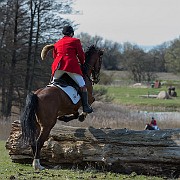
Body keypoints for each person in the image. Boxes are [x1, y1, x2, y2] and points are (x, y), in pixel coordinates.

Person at [51, 25, 93, 114]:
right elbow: (81, 55)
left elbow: (54, 56)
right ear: (71, 33)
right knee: (82, 85)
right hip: (70, 66)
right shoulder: (75, 41)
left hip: (57, 67)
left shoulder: (57, 42)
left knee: (52, 85)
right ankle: (85, 107)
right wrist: (82, 63)